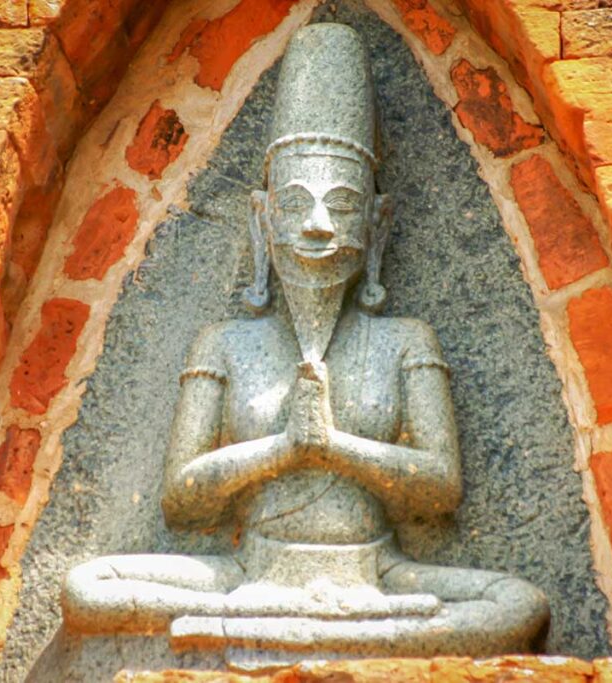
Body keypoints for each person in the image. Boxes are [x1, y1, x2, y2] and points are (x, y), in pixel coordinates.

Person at [62, 22, 548, 662]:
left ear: (376, 225)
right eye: (296, 204)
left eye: (342, 206)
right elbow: (182, 500)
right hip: (249, 572)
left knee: (517, 606)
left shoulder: (406, 341)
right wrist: (285, 449)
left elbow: (439, 489)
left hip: (377, 574)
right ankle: (324, 630)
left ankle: (267, 629)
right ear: (262, 221)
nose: (318, 225)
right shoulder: (223, 344)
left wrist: (335, 447)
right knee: (88, 587)